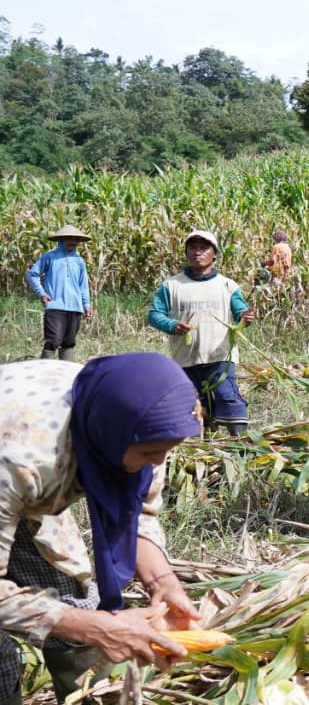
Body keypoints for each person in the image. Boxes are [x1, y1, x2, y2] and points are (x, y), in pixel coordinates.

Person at [0, 353, 205, 704]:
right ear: (108, 434)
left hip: (27, 491)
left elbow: (138, 512)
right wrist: (96, 628)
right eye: (151, 453)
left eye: (167, 450)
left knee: (74, 604)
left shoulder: (134, 419)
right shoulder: (19, 460)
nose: (158, 463)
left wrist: (163, 583)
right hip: (15, 468)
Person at [147, 230, 255, 436]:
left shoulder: (227, 286)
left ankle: (241, 443)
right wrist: (173, 326)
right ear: (186, 253)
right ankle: (204, 440)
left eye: (203, 248)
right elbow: (154, 315)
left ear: (214, 254)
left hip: (220, 355)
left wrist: (245, 318)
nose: (198, 252)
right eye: (193, 248)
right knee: (194, 403)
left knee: (228, 396)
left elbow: (241, 311)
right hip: (186, 358)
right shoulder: (172, 285)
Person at [26, 225, 95, 362]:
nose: (73, 242)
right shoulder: (50, 257)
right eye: (69, 239)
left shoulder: (79, 261)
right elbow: (32, 274)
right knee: (54, 339)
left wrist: (86, 304)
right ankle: (44, 371)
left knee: (69, 341)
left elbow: (83, 285)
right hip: (55, 305)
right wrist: (42, 293)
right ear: (61, 240)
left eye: (76, 240)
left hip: (75, 307)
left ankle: (66, 375)